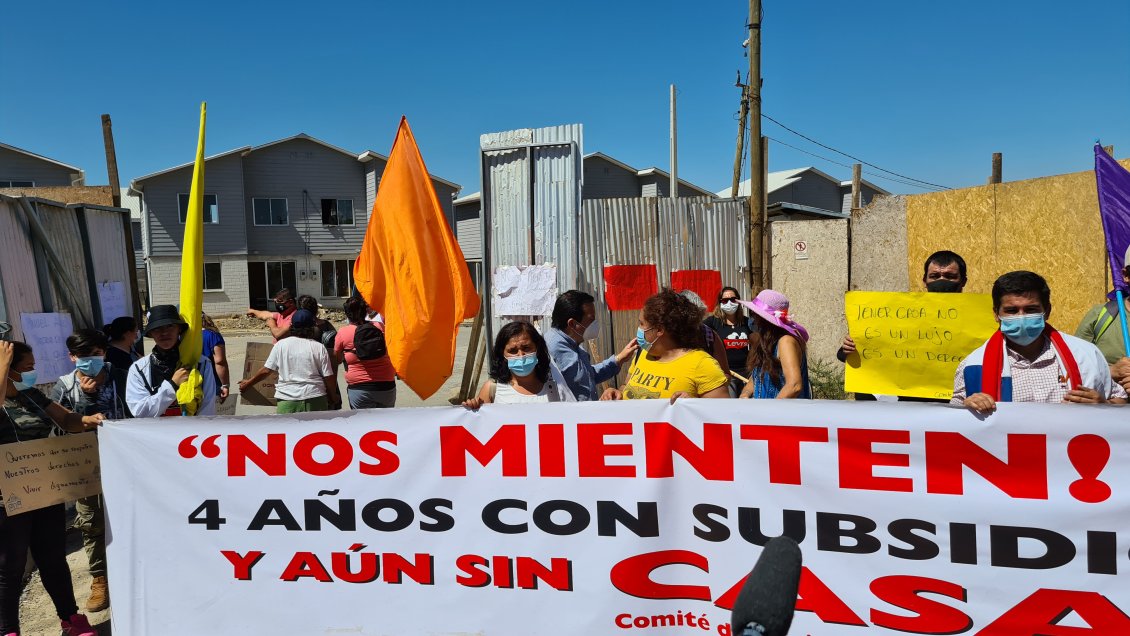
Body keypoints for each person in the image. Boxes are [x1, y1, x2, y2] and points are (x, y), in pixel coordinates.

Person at [1, 341, 100, 636]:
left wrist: (86, 421)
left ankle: (70, 618)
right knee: (10, 566)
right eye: (26, 367)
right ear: (7, 368)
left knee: (53, 558)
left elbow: (66, 420)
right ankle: (8, 629)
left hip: (45, 491)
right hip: (8, 499)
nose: (33, 371)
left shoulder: (31, 396)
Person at [954, 271, 1127, 413]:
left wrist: (1104, 405)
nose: (1021, 317)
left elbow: (1121, 400)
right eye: (1011, 310)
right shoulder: (973, 365)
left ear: (1047, 310)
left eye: (1031, 309)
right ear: (996, 314)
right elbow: (950, 417)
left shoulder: (1087, 355)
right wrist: (968, 407)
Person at [49, 329, 128, 614]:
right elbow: (59, 426)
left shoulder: (122, 375)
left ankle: (129, 572)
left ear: (104, 353)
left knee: (127, 517)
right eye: (83, 356)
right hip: (85, 467)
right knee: (91, 522)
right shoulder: (64, 387)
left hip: (124, 463)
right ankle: (100, 579)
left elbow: (137, 413)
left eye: (96, 354)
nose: (90, 360)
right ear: (72, 358)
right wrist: (85, 399)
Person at [838, 250, 968, 402]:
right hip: (908, 404)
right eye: (934, 276)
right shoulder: (901, 313)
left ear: (963, 281)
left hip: (956, 403)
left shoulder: (977, 317)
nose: (941, 280)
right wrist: (848, 347)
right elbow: (867, 351)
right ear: (924, 280)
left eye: (949, 276)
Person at [600, 289, 729, 402]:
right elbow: (625, 387)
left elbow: (722, 416)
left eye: (642, 323)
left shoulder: (703, 364)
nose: (638, 328)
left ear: (659, 330)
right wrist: (617, 394)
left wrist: (693, 404)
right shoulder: (644, 354)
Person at [240, 309, 341, 413]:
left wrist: (248, 383)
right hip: (315, 399)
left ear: (292, 326)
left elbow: (266, 370)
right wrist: (333, 397)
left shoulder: (281, 345)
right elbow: (328, 377)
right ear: (313, 327)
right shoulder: (319, 347)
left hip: (287, 400)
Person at [126, 305, 218, 418]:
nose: (164, 333)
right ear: (151, 334)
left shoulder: (201, 363)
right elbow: (140, 412)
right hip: (155, 434)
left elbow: (207, 410)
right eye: (157, 328)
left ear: (179, 329)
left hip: (191, 433)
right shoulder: (138, 369)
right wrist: (172, 385)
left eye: (170, 326)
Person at [544, 290, 637, 401]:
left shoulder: (573, 343)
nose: (595, 324)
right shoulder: (554, 349)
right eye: (591, 320)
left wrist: (618, 360)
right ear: (573, 324)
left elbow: (587, 377)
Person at [463, 321, 575, 407]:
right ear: (503, 355)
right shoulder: (492, 389)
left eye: (526, 348)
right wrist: (473, 407)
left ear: (538, 348)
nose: (521, 355)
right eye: (512, 351)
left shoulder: (555, 387)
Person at [737, 290, 812, 399]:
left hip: (785, 414)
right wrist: (746, 393)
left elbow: (794, 385)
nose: (753, 319)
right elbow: (758, 376)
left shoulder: (786, 342)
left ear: (764, 319)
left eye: (755, 314)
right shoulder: (765, 342)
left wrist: (771, 410)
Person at [1076, 245, 1130, 393]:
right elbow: (1074, 366)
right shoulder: (1101, 315)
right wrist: (1111, 371)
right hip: (1107, 411)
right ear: (1126, 275)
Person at [334, 295, 396, 409]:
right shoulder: (379, 326)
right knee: (387, 422)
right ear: (365, 311)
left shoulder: (343, 332)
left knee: (363, 424)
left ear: (347, 314)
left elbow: (337, 359)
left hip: (359, 387)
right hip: (386, 384)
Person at [705, 286, 756, 396]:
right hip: (726, 373)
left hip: (746, 373)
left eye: (733, 299)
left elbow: (757, 344)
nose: (729, 303)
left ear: (738, 301)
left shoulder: (748, 322)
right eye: (725, 300)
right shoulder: (713, 322)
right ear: (720, 303)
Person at [679, 290, 732, 378]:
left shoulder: (709, 335)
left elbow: (725, 374)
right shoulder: (667, 335)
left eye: (698, 318)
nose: (694, 324)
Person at [201, 314, 230, 403]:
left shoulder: (182, 336)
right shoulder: (213, 335)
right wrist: (225, 385)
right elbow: (220, 361)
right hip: (211, 384)